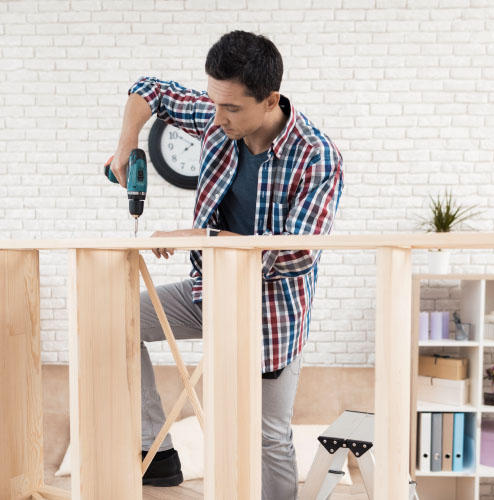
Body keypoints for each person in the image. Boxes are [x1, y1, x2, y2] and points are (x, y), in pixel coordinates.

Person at [109, 30, 343, 499]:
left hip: (269, 315)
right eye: (215, 103)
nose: (217, 118)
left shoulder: (317, 157)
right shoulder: (219, 118)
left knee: (269, 438)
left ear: (270, 99)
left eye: (232, 108)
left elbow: (292, 253)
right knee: (117, 318)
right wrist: (126, 142)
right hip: (207, 295)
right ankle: (156, 455)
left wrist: (200, 237)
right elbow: (148, 88)